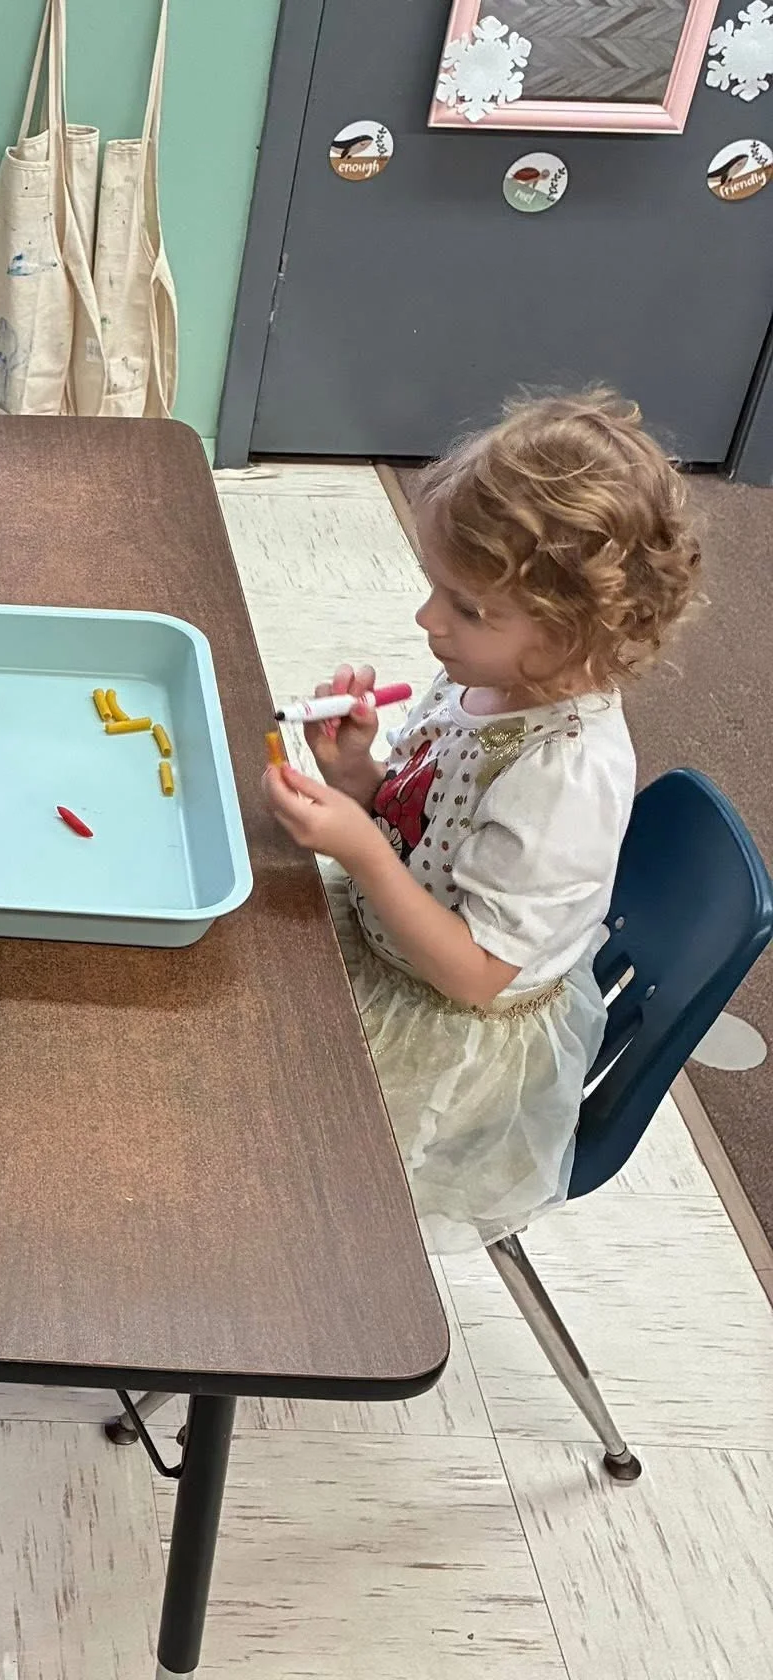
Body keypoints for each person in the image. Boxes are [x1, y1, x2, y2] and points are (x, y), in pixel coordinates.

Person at [262, 392, 700, 1253]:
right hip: (392, 936)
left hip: (446, 1029)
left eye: (468, 609)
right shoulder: (495, 680)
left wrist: (362, 853)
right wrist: (358, 776)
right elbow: (432, 824)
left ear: (579, 634)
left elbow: (474, 975)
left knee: (266, 1115)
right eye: (438, 591)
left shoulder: (565, 776)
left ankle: (279, 1277)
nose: (429, 621)